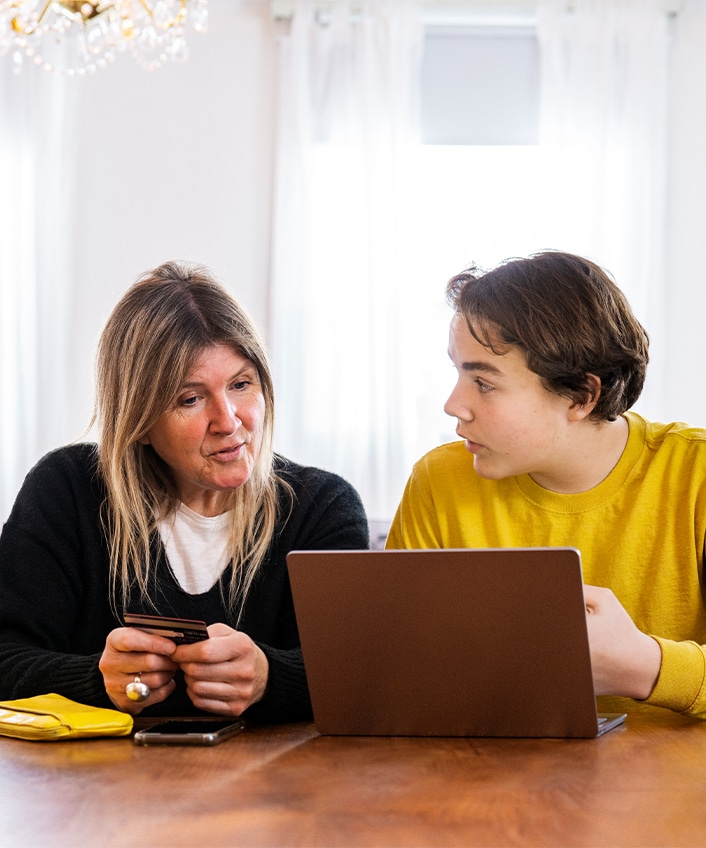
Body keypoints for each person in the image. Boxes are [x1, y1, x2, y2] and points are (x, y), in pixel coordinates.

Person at [0, 261, 368, 722]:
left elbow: (359, 674)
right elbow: (6, 657)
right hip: (97, 787)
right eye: (190, 398)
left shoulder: (321, 508)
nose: (229, 421)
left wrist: (269, 677)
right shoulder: (67, 491)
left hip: (274, 788)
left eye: (241, 384)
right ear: (139, 421)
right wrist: (98, 680)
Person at [387, 250, 706, 721]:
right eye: (458, 372)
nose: (454, 404)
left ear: (581, 395)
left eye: (485, 382)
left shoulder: (695, 473)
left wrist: (644, 666)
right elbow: (392, 667)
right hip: (486, 774)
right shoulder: (439, 479)